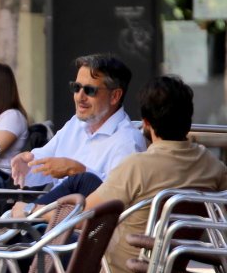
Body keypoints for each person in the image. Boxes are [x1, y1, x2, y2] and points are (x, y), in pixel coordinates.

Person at [22, 76, 227, 273]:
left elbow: (81, 217)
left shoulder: (137, 166)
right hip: (171, 265)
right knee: (83, 181)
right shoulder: (213, 167)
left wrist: (32, 210)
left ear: (146, 123)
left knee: (26, 242)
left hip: (119, 267)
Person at [10, 53, 146, 202]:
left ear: (115, 96)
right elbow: (42, 165)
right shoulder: (75, 124)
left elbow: (117, 199)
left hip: (81, 222)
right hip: (52, 217)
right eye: (76, 87)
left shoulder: (128, 141)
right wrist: (26, 166)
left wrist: (79, 171)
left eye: (90, 90)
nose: (79, 97)